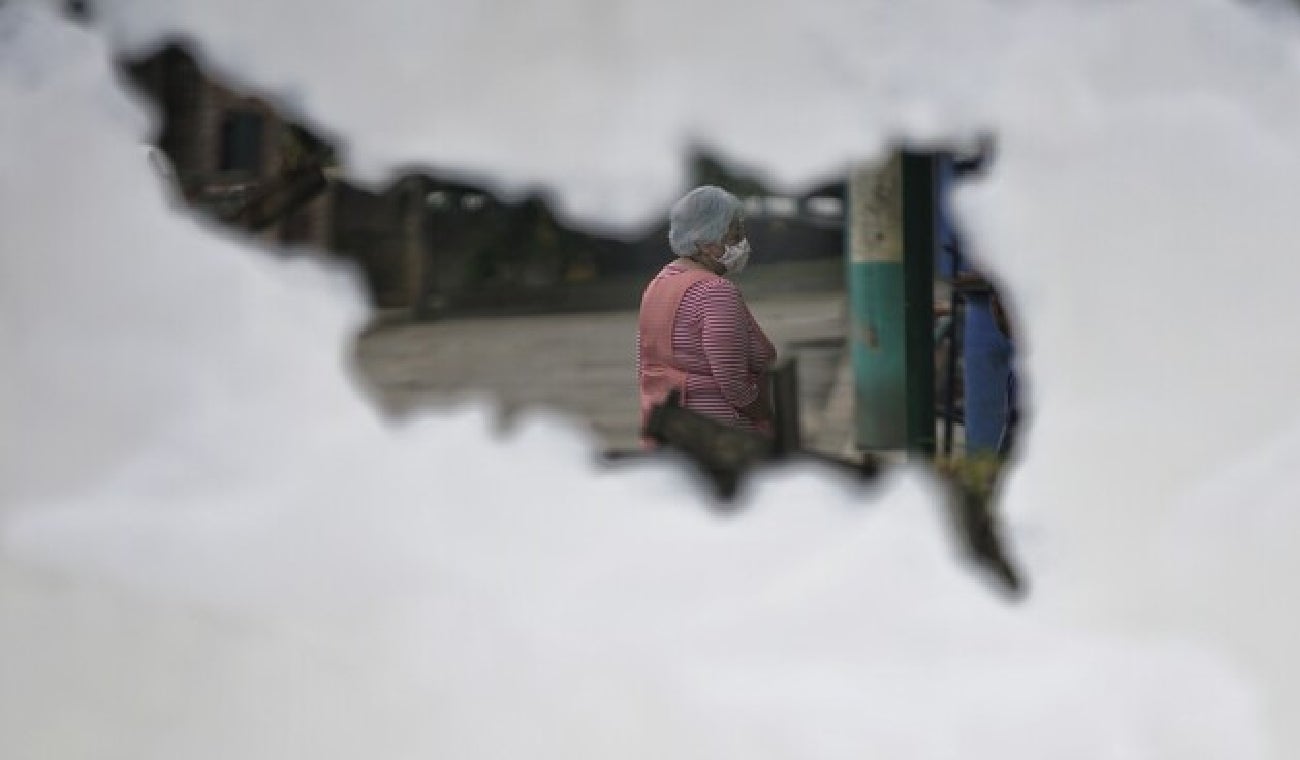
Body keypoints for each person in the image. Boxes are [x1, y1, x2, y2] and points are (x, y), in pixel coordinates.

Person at [637, 186, 776, 443]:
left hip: (670, 431)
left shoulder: (658, 284)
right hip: (717, 438)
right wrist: (770, 415)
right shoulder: (715, 292)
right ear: (706, 244)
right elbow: (734, 385)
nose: (743, 242)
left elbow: (646, 364)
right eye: (735, 234)